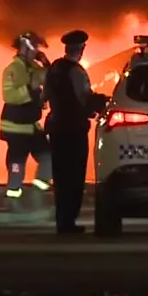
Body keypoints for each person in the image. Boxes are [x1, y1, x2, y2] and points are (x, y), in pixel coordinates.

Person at [44, 29, 108, 235]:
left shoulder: (54, 69)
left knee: (60, 176)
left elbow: (44, 97)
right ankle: (69, 221)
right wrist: (103, 102)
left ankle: (62, 221)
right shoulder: (77, 72)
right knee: (74, 177)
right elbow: (84, 98)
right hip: (73, 129)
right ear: (81, 49)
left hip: (56, 128)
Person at [0, 31, 53, 215]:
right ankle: (13, 201)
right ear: (25, 47)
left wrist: (46, 63)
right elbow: (9, 96)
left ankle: (37, 194)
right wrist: (30, 87)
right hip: (16, 129)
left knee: (48, 158)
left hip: (31, 126)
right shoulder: (12, 70)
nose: (36, 51)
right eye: (35, 47)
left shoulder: (33, 68)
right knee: (17, 166)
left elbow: (49, 77)